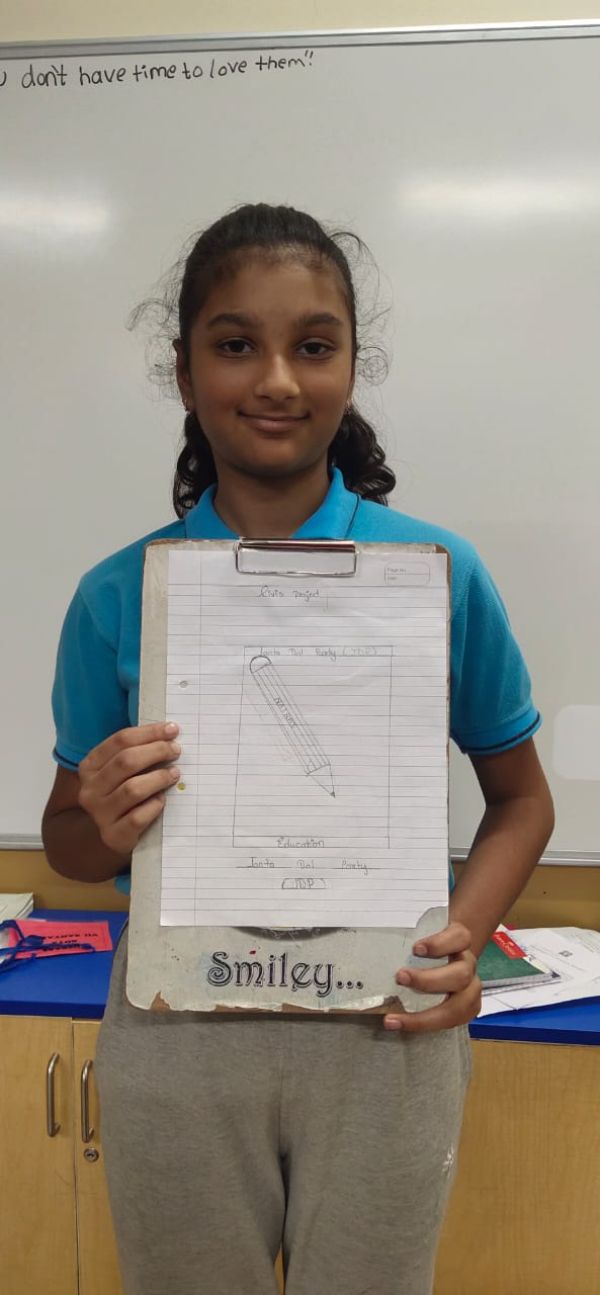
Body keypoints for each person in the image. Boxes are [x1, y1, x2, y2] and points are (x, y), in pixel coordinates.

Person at [42, 203, 555, 1295]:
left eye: (313, 345)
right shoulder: (119, 594)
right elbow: (69, 845)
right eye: (236, 344)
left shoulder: (437, 574)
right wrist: (100, 812)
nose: (276, 379)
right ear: (184, 370)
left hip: (386, 1025)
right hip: (178, 1031)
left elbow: (521, 799)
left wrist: (462, 938)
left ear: (352, 367)